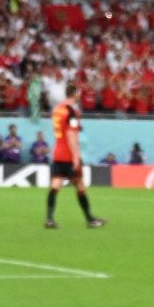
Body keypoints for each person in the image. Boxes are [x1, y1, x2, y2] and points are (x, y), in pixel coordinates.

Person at [45, 97, 104, 228]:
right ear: (75, 95)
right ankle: (90, 219)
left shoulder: (58, 110)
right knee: (80, 186)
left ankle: (49, 219)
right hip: (69, 156)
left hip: (58, 153)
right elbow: (71, 136)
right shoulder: (72, 113)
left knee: (55, 185)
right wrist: (76, 157)